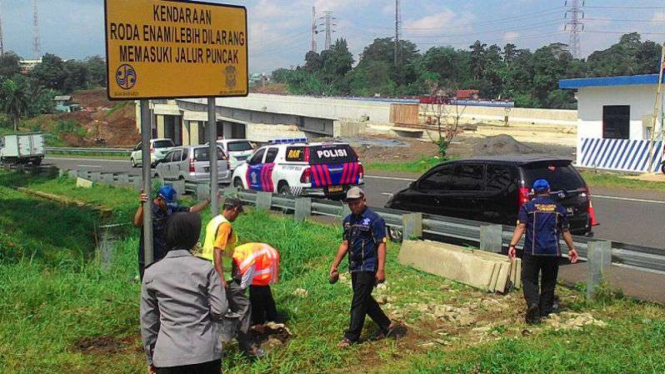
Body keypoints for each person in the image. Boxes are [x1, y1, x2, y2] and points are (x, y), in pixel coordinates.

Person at [140, 212, 227, 374]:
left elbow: (148, 321)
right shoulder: (206, 268)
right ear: (192, 238)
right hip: (205, 353)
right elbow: (220, 309)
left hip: (168, 356)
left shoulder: (152, 273)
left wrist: (151, 358)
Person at [330, 187, 397, 347]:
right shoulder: (348, 221)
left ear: (364, 200)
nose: (354, 206)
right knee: (364, 298)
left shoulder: (374, 220)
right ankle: (387, 325)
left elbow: (381, 244)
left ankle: (351, 337)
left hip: (368, 265)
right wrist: (334, 265)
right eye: (351, 204)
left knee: (358, 301)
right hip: (354, 266)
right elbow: (345, 243)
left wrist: (380, 269)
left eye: (356, 203)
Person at [508, 179, 579, 325]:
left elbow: (521, 226)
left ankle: (533, 304)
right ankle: (545, 310)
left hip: (532, 250)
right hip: (552, 251)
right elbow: (564, 230)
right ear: (548, 189)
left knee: (529, 279)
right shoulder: (558, 208)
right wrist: (572, 248)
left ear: (534, 191)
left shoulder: (527, 206)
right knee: (549, 280)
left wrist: (512, 245)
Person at [133, 185, 213, 280]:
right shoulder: (148, 208)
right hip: (149, 257)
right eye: (167, 204)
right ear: (159, 199)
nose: (169, 207)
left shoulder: (170, 208)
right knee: (149, 284)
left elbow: (191, 210)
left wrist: (208, 201)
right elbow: (137, 222)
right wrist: (142, 206)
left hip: (164, 257)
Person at [230, 243, 280, 326]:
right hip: (266, 253)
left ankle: (258, 322)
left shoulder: (241, 260)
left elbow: (247, 275)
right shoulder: (235, 256)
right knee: (263, 289)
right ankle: (272, 316)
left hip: (266, 256)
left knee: (256, 291)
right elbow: (239, 273)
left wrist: (240, 291)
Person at [200, 197, 243, 288]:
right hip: (222, 275)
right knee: (241, 302)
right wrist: (222, 278)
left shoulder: (214, 221)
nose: (237, 216)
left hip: (208, 269)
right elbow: (217, 250)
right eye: (238, 213)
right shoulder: (225, 225)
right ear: (234, 209)